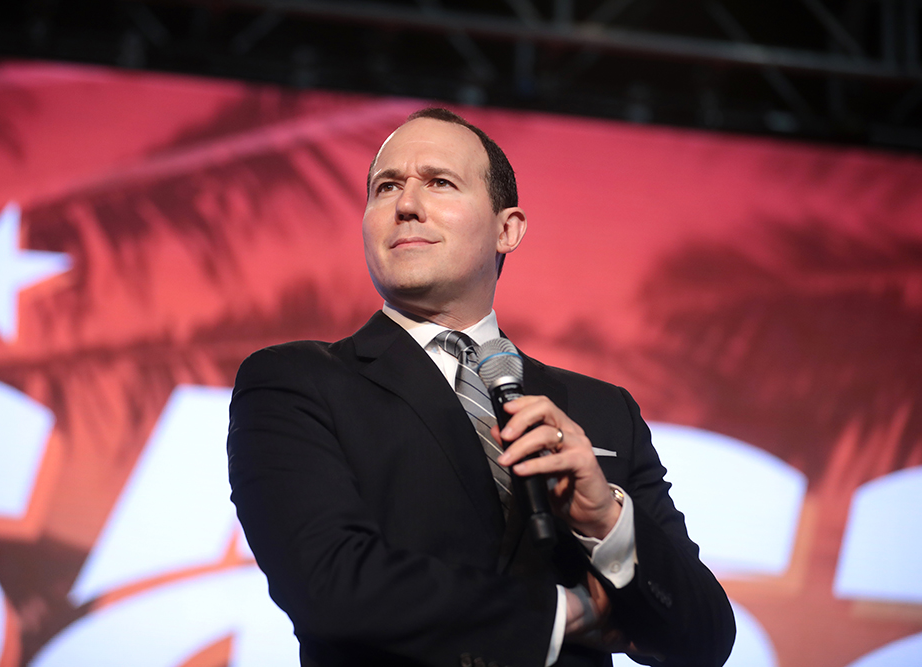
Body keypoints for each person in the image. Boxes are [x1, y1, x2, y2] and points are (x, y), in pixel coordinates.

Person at [227, 108, 735, 667]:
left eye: (440, 182)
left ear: (507, 228)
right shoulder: (296, 382)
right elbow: (329, 582)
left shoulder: (601, 410)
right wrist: (564, 616)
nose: (406, 204)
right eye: (385, 187)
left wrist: (605, 523)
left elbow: (705, 640)